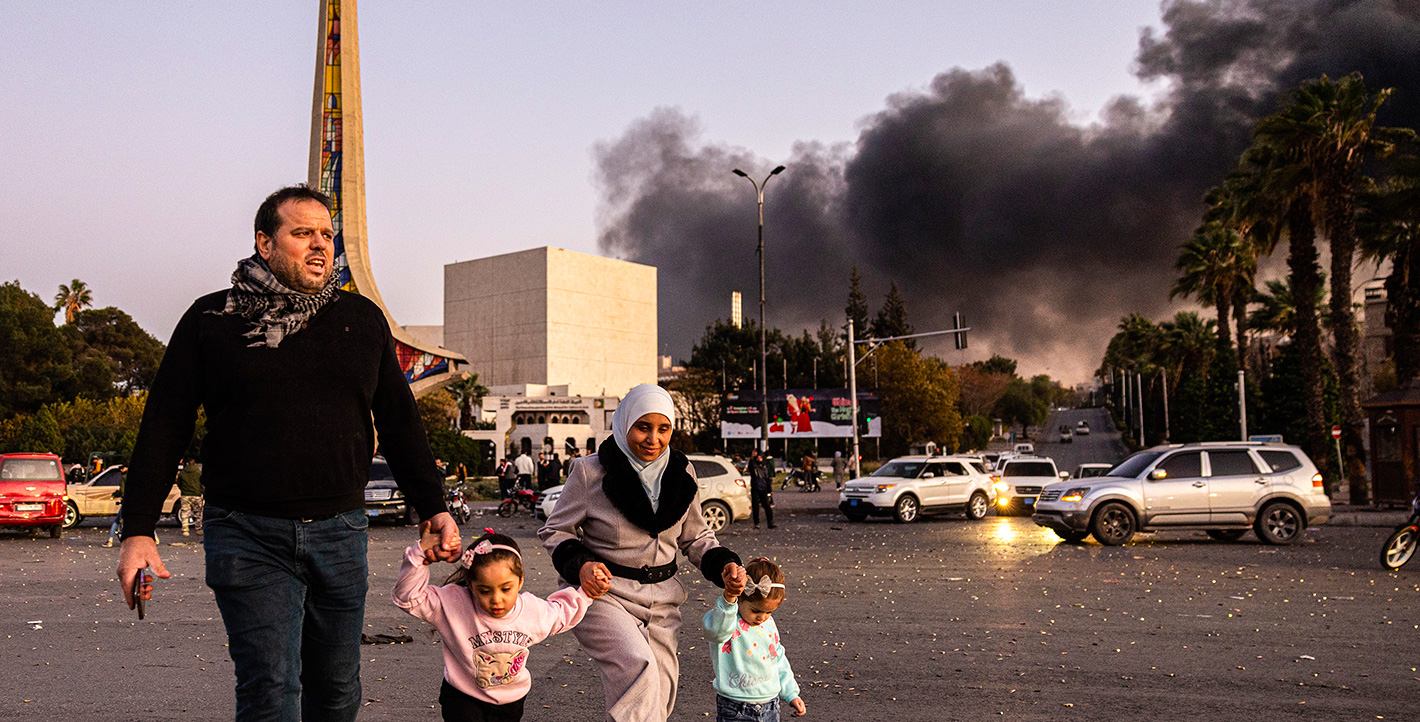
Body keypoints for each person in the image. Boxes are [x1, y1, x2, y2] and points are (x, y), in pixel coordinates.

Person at [115, 185, 461, 721]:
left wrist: (433, 506)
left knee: (337, 689)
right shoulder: (213, 321)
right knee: (270, 689)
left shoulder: (361, 319)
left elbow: (399, 420)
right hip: (246, 532)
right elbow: (165, 426)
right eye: (303, 233)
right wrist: (138, 528)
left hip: (340, 532)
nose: (320, 244)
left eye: (326, 234)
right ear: (264, 243)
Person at [539, 384, 748, 721]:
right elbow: (555, 529)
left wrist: (724, 564)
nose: (653, 438)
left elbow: (695, 537)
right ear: (624, 426)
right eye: (643, 427)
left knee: (659, 695)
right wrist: (581, 566)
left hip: (664, 601)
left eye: (663, 429)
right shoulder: (590, 471)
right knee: (640, 667)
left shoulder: (682, 473)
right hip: (604, 595)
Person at [393, 528, 605, 722]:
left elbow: (561, 613)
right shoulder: (452, 603)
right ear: (470, 585)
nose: (496, 599)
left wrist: (586, 593)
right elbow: (409, 598)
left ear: (520, 581)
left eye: (506, 589)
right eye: (485, 591)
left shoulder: (532, 611)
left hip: (511, 703)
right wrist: (419, 554)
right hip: (462, 697)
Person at [701, 557, 805, 720]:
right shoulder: (728, 619)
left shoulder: (768, 624)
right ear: (740, 598)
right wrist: (729, 600)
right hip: (735, 707)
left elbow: (777, 657)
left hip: (771, 705)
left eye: (769, 612)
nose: (762, 617)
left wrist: (791, 693)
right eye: (756, 610)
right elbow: (716, 632)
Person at [175, 457, 203, 536]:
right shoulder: (198, 472)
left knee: (185, 513)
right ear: (195, 464)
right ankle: (198, 529)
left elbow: (179, 484)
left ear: (187, 463)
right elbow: (202, 484)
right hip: (196, 495)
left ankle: (185, 530)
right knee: (198, 513)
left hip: (185, 495)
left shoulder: (182, 473)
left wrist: (183, 490)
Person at [747, 450, 774, 530]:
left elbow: (768, 479)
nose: (759, 459)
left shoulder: (765, 468)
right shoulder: (754, 467)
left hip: (763, 488)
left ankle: (770, 522)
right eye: (758, 458)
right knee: (755, 507)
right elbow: (750, 466)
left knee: (767, 506)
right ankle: (756, 523)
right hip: (755, 488)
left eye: (760, 457)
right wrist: (752, 457)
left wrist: (770, 490)